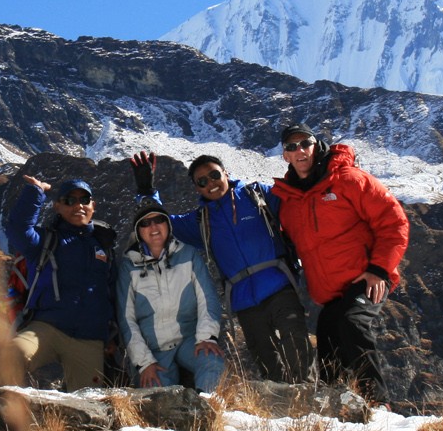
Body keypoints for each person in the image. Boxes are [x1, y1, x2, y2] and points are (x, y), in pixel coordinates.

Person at [130, 151, 315, 384]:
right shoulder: (201, 220)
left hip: (278, 286)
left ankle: (309, 396)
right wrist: (147, 192)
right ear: (197, 188)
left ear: (226, 173)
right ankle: (283, 406)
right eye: (202, 182)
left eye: (215, 175)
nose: (211, 183)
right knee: (266, 356)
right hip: (244, 301)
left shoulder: (256, 195)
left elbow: (296, 198)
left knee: (296, 342)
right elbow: (163, 224)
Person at [268, 123, 408, 401]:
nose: (299, 151)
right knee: (328, 343)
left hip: (366, 279)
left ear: (316, 145)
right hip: (330, 293)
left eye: (304, 143)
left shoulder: (349, 180)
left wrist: (379, 270)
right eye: (291, 147)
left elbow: (394, 222)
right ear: (285, 156)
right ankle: (335, 407)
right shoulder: (289, 201)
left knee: (352, 323)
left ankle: (377, 403)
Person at [0, 175, 117, 390]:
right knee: (13, 356)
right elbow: (18, 231)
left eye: (84, 200)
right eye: (70, 200)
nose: (78, 206)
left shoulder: (104, 247)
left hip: (89, 337)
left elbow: (114, 292)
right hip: (46, 327)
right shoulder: (44, 241)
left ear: (93, 206)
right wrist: (35, 193)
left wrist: (113, 336)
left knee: (90, 400)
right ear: (58, 207)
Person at [116, 203, 226, 392]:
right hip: (154, 350)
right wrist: (144, 362)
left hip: (189, 339)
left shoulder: (188, 254)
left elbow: (207, 297)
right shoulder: (129, 266)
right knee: (155, 394)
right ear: (138, 231)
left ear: (168, 224)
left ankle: (207, 409)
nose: (153, 227)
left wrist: (207, 337)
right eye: (145, 223)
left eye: (159, 220)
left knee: (213, 363)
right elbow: (126, 320)